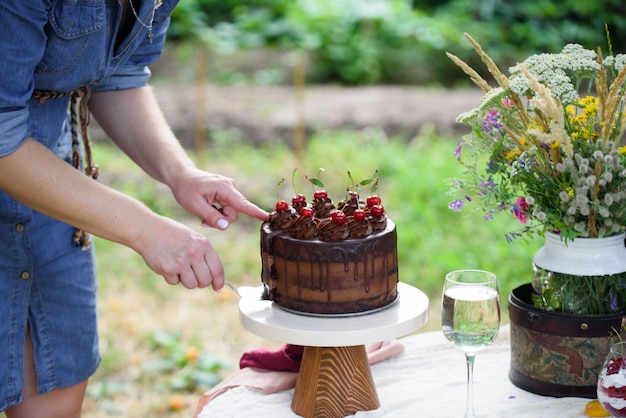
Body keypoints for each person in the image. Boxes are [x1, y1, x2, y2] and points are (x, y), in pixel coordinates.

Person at [0, 1, 269, 416]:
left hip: (55, 191)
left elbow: (119, 76)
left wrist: (179, 173)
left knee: (54, 395)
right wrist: (146, 230)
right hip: (21, 164)